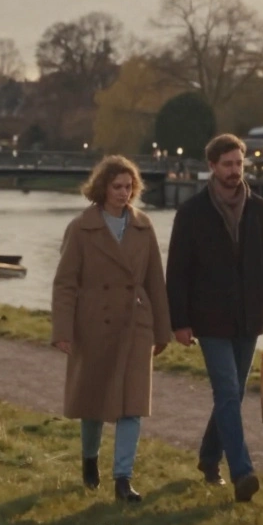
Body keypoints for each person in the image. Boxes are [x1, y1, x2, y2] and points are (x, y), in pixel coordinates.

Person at [166, 134, 263, 503]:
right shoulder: (191, 214)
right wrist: (180, 321)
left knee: (232, 396)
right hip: (210, 319)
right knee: (226, 391)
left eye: (239, 164)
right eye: (227, 165)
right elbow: (177, 273)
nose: (235, 171)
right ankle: (242, 471)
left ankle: (207, 458)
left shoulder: (259, 210)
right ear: (211, 167)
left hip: (249, 318)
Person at [51, 156, 172, 503]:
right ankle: (90, 460)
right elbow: (65, 283)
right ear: (102, 188)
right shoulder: (81, 228)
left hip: (136, 323)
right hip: (94, 324)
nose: (124, 193)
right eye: (117, 186)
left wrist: (162, 329)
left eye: (129, 186)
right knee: (94, 403)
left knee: (132, 404)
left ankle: (123, 479)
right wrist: (63, 329)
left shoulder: (143, 226)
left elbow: (155, 281)